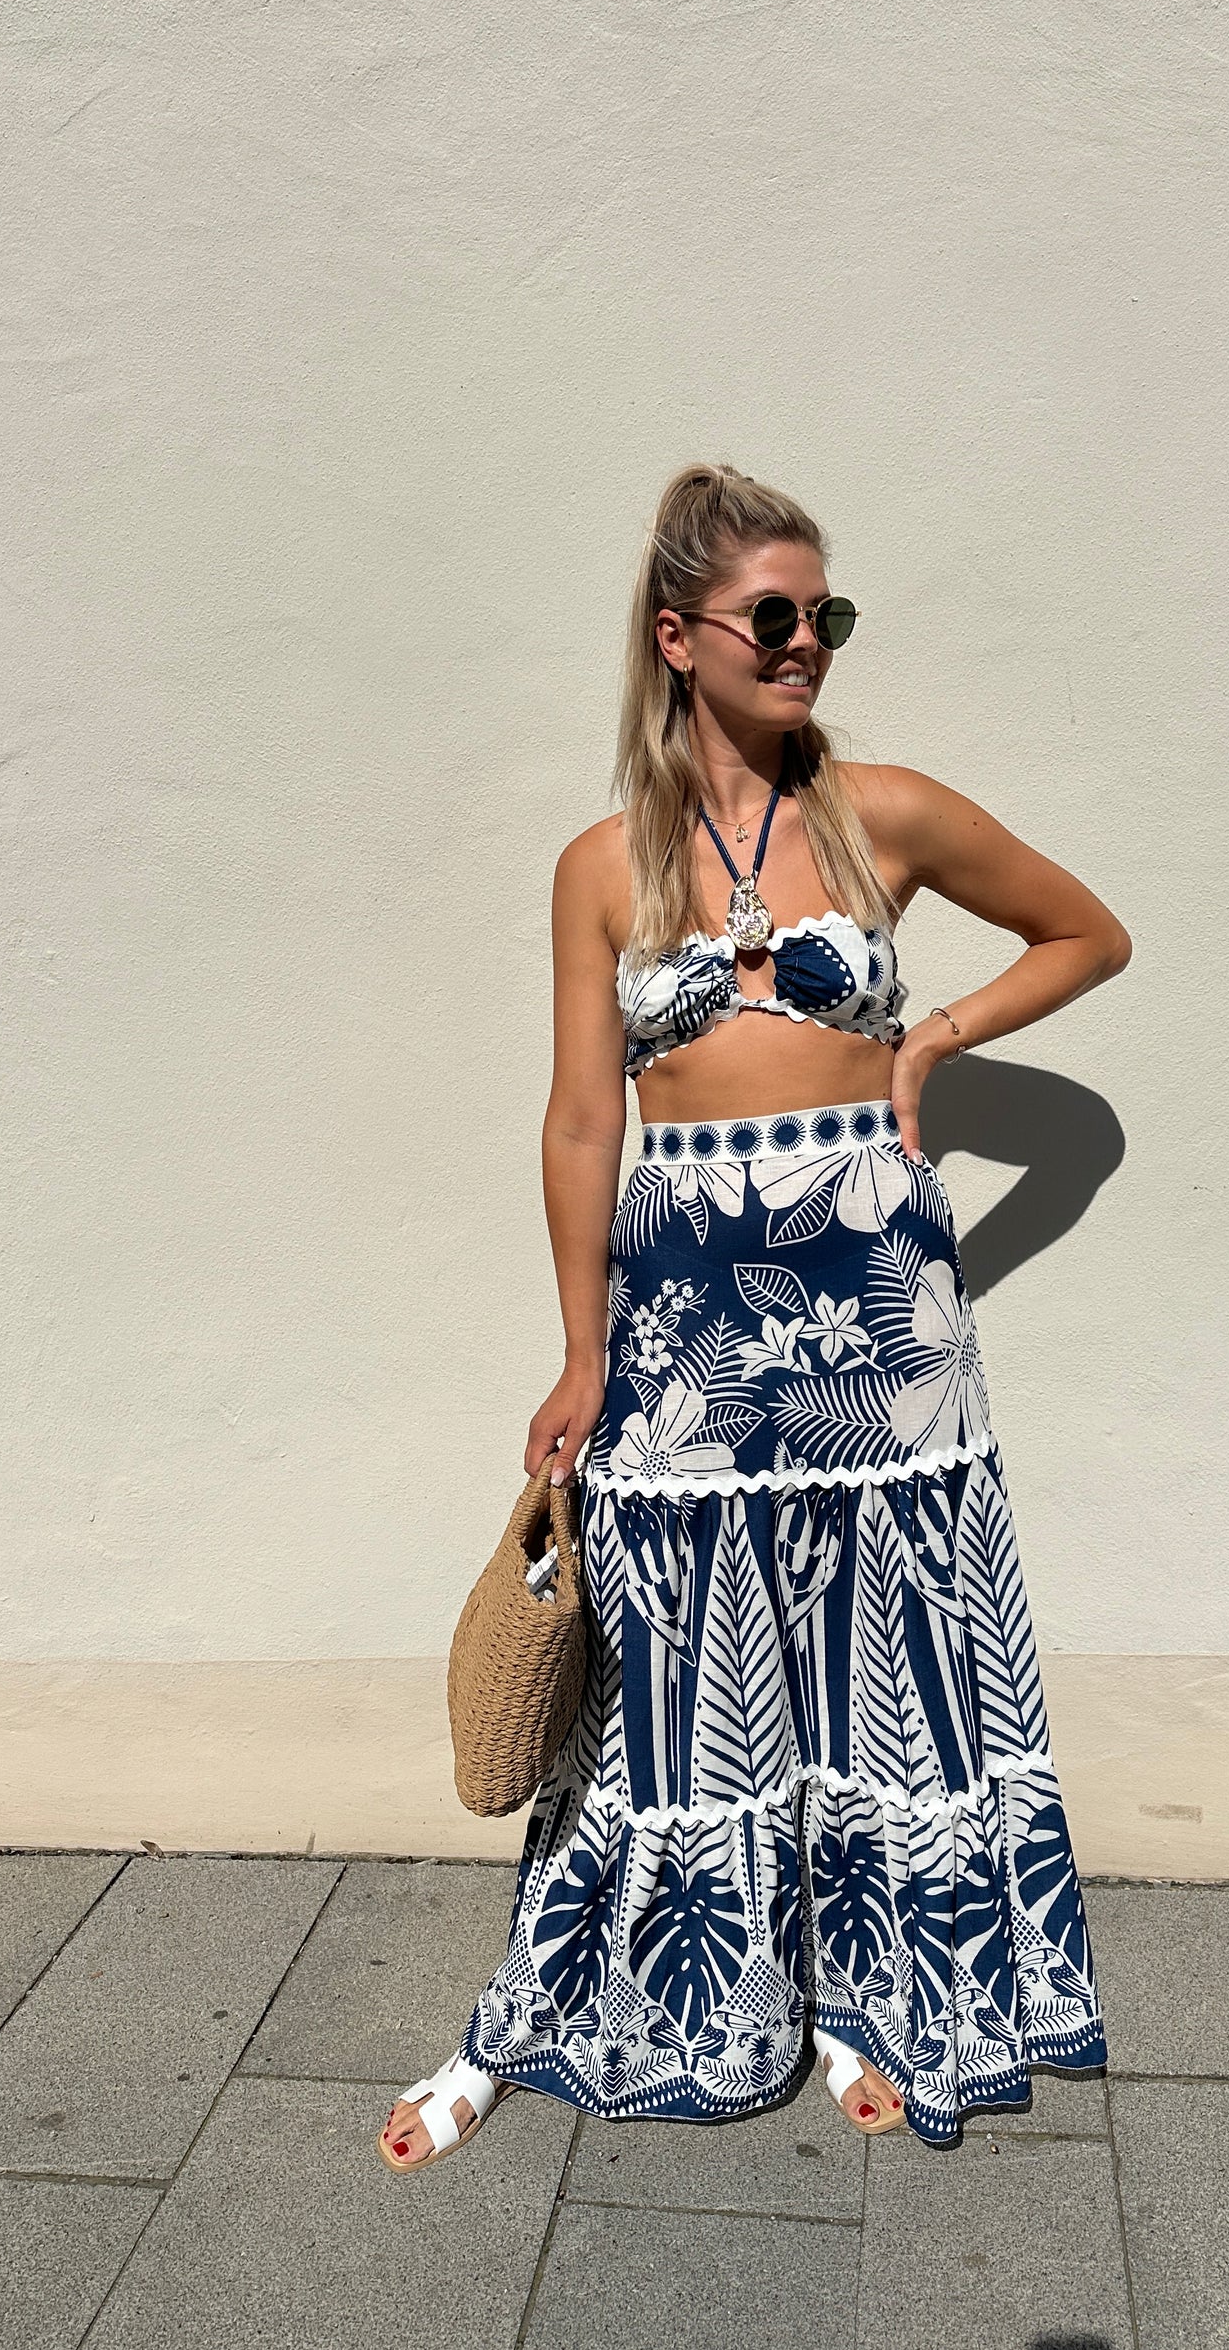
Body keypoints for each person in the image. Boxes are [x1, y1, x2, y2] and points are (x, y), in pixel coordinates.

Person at [380, 462, 1130, 2169]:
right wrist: (582, 1351)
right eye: (771, 616)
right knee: (677, 1657)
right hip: (686, 1299)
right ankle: (589, 2000)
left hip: (876, 1293)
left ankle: (873, 1991)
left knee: (884, 1645)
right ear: (677, 637)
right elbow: (585, 1121)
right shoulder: (599, 865)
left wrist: (934, 1037)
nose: (805, 643)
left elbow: (1087, 934)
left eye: (824, 615)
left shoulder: (888, 812)